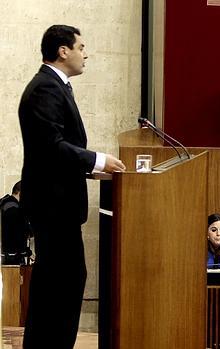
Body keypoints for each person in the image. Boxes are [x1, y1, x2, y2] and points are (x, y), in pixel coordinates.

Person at [18, 25, 126, 349]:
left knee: (60, 285)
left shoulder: (56, 87)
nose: (86, 53)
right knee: (60, 286)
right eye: (81, 47)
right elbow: (51, 147)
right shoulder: (45, 89)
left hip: (58, 207)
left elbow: (56, 151)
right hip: (53, 209)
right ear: (63, 51)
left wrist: (94, 173)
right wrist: (97, 160)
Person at [0, 181, 33, 265]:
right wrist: (26, 252)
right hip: (11, 260)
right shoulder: (14, 209)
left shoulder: (4, 203)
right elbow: (16, 236)